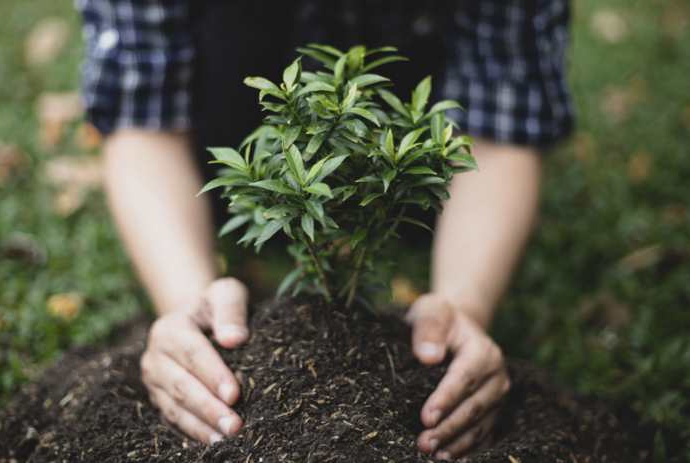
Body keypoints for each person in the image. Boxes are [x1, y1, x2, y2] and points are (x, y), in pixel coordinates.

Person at [75, 0, 573, 459]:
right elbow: (141, 116)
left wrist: (465, 304)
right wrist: (187, 300)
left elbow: (502, 123)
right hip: (240, 149)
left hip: (402, 167)